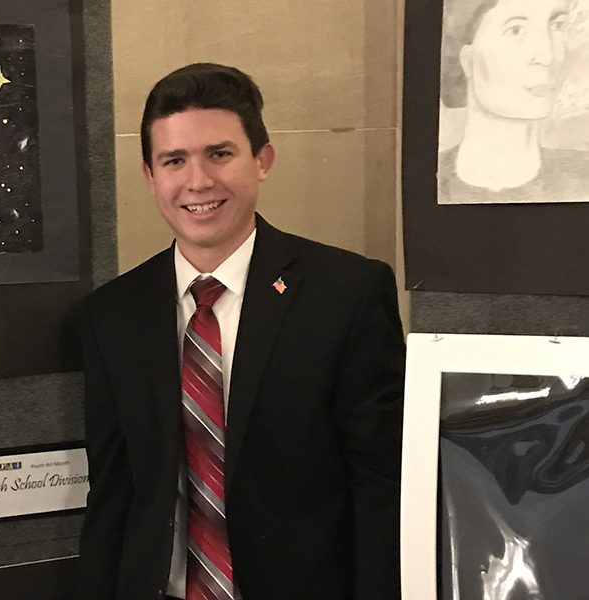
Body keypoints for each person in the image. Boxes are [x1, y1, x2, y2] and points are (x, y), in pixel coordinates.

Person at [78, 63, 405, 599]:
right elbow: (113, 493)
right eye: (175, 160)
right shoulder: (112, 314)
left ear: (263, 160)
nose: (198, 181)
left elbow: (380, 484)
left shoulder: (346, 294)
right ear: (150, 176)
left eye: (220, 154)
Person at [438, 0, 589, 203]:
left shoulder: (582, 177)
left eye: (557, 25)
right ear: (467, 58)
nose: (547, 56)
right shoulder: (428, 180)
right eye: (516, 30)